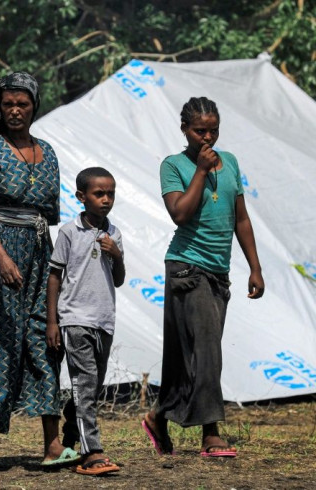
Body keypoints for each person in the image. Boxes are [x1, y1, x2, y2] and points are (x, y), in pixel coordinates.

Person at [0, 72, 73, 467]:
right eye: (8, 105)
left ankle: (52, 445)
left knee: (44, 338)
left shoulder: (48, 152)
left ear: (34, 106)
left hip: (39, 255)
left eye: (22, 104)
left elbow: (48, 215)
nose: (15, 111)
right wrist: (2, 256)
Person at [142, 96, 265, 458]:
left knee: (188, 356)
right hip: (186, 267)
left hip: (218, 272)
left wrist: (255, 266)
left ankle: (158, 417)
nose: (207, 138)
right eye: (199, 131)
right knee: (207, 352)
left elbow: (240, 218)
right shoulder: (174, 165)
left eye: (213, 130)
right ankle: (211, 432)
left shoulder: (231, 164)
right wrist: (199, 170)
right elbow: (179, 213)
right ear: (185, 130)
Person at [46, 167, 124, 476]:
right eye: (99, 194)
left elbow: (118, 280)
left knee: (90, 388)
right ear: (82, 197)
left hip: (104, 320)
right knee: (84, 384)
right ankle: (93, 451)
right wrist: (53, 322)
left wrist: (116, 254)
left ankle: (71, 434)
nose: (106, 200)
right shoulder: (69, 231)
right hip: (75, 319)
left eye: (111, 194)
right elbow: (55, 276)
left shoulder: (114, 233)